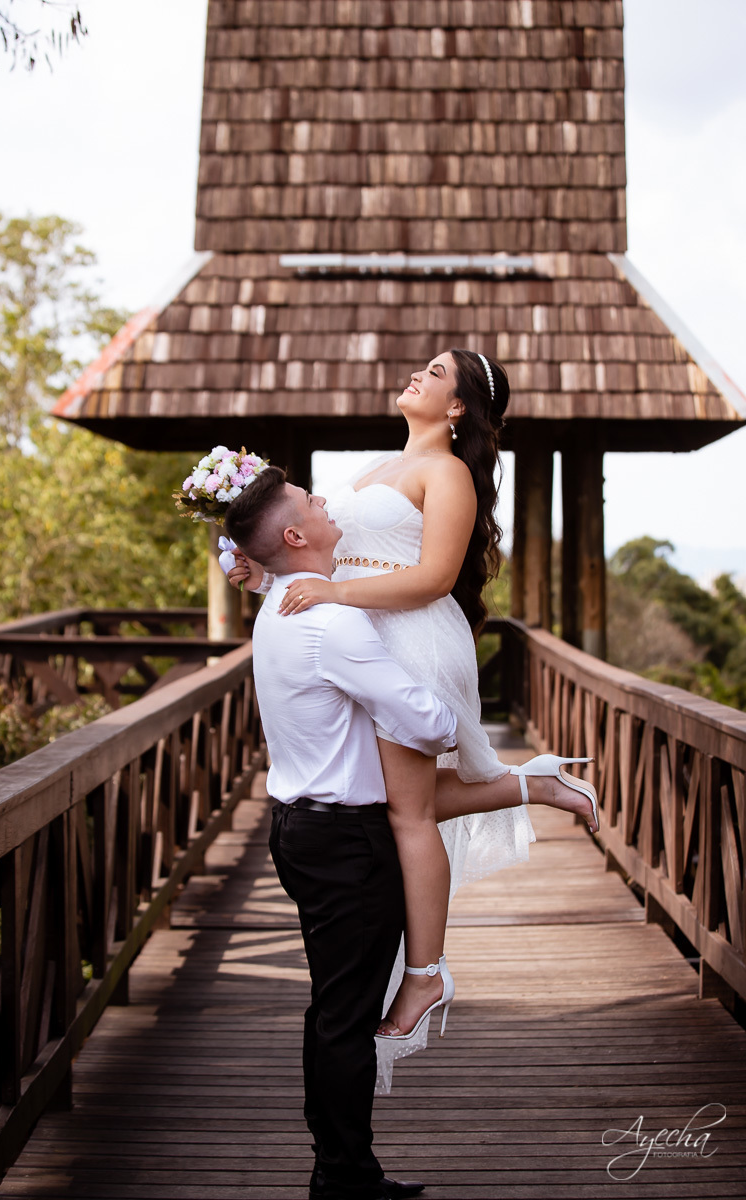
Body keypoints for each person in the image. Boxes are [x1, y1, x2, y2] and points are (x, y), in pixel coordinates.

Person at [226, 348, 598, 1050]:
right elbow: (328, 554)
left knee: (406, 814)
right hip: (364, 635)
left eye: (435, 374)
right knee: (393, 799)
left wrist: (336, 592)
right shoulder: (380, 466)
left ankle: (426, 973)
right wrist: (265, 573)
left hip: (413, 639)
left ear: (457, 407)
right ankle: (535, 785)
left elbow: (433, 578)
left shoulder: (447, 472)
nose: (417, 376)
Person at [224, 464, 457, 1200]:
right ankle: (344, 1178)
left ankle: (339, 1167)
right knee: (345, 1017)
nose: (325, 501)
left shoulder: (277, 604)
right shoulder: (332, 621)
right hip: (346, 844)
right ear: (297, 536)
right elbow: (429, 723)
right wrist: (447, 709)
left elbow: (263, 572)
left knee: (334, 1006)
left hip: (298, 830)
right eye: (310, 500)